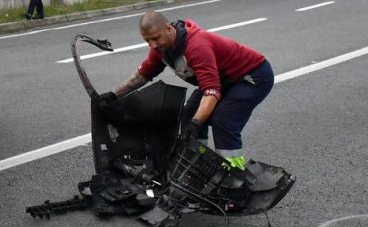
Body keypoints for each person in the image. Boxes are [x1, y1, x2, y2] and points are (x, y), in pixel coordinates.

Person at [99, 11, 273, 169]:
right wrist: (113, 95)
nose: (152, 45)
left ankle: (233, 173)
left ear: (169, 29)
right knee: (189, 114)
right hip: (223, 79)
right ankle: (200, 167)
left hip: (252, 76)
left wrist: (196, 124)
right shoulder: (160, 49)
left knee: (223, 120)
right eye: (147, 40)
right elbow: (142, 75)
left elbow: (211, 92)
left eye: (156, 38)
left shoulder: (196, 46)